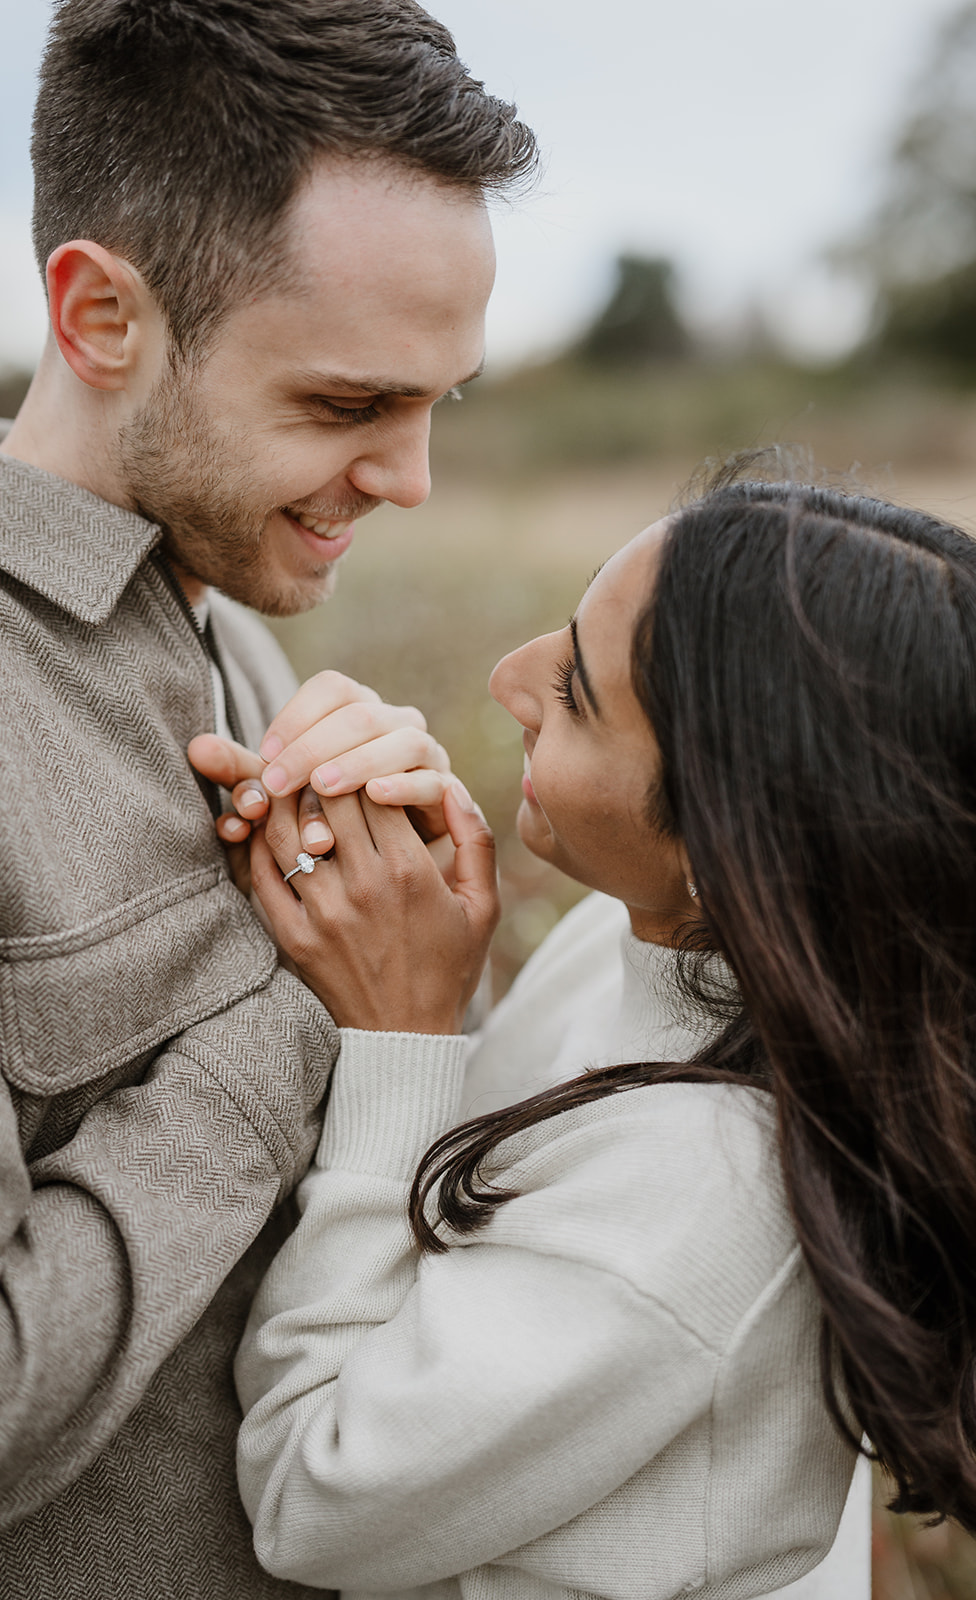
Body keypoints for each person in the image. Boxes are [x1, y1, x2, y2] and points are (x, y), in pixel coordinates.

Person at [0, 2, 536, 1594]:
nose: (407, 481)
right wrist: (299, 1015)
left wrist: (424, 964)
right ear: (102, 315)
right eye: (347, 407)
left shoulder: (246, 644)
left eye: (434, 403)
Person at [230, 477, 976, 1598]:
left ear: (726, 845)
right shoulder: (631, 938)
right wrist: (428, 958)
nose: (509, 678)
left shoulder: (703, 1195)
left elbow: (308, 1497)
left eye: (576, 690)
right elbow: (493, 1193)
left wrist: (397, 1040)